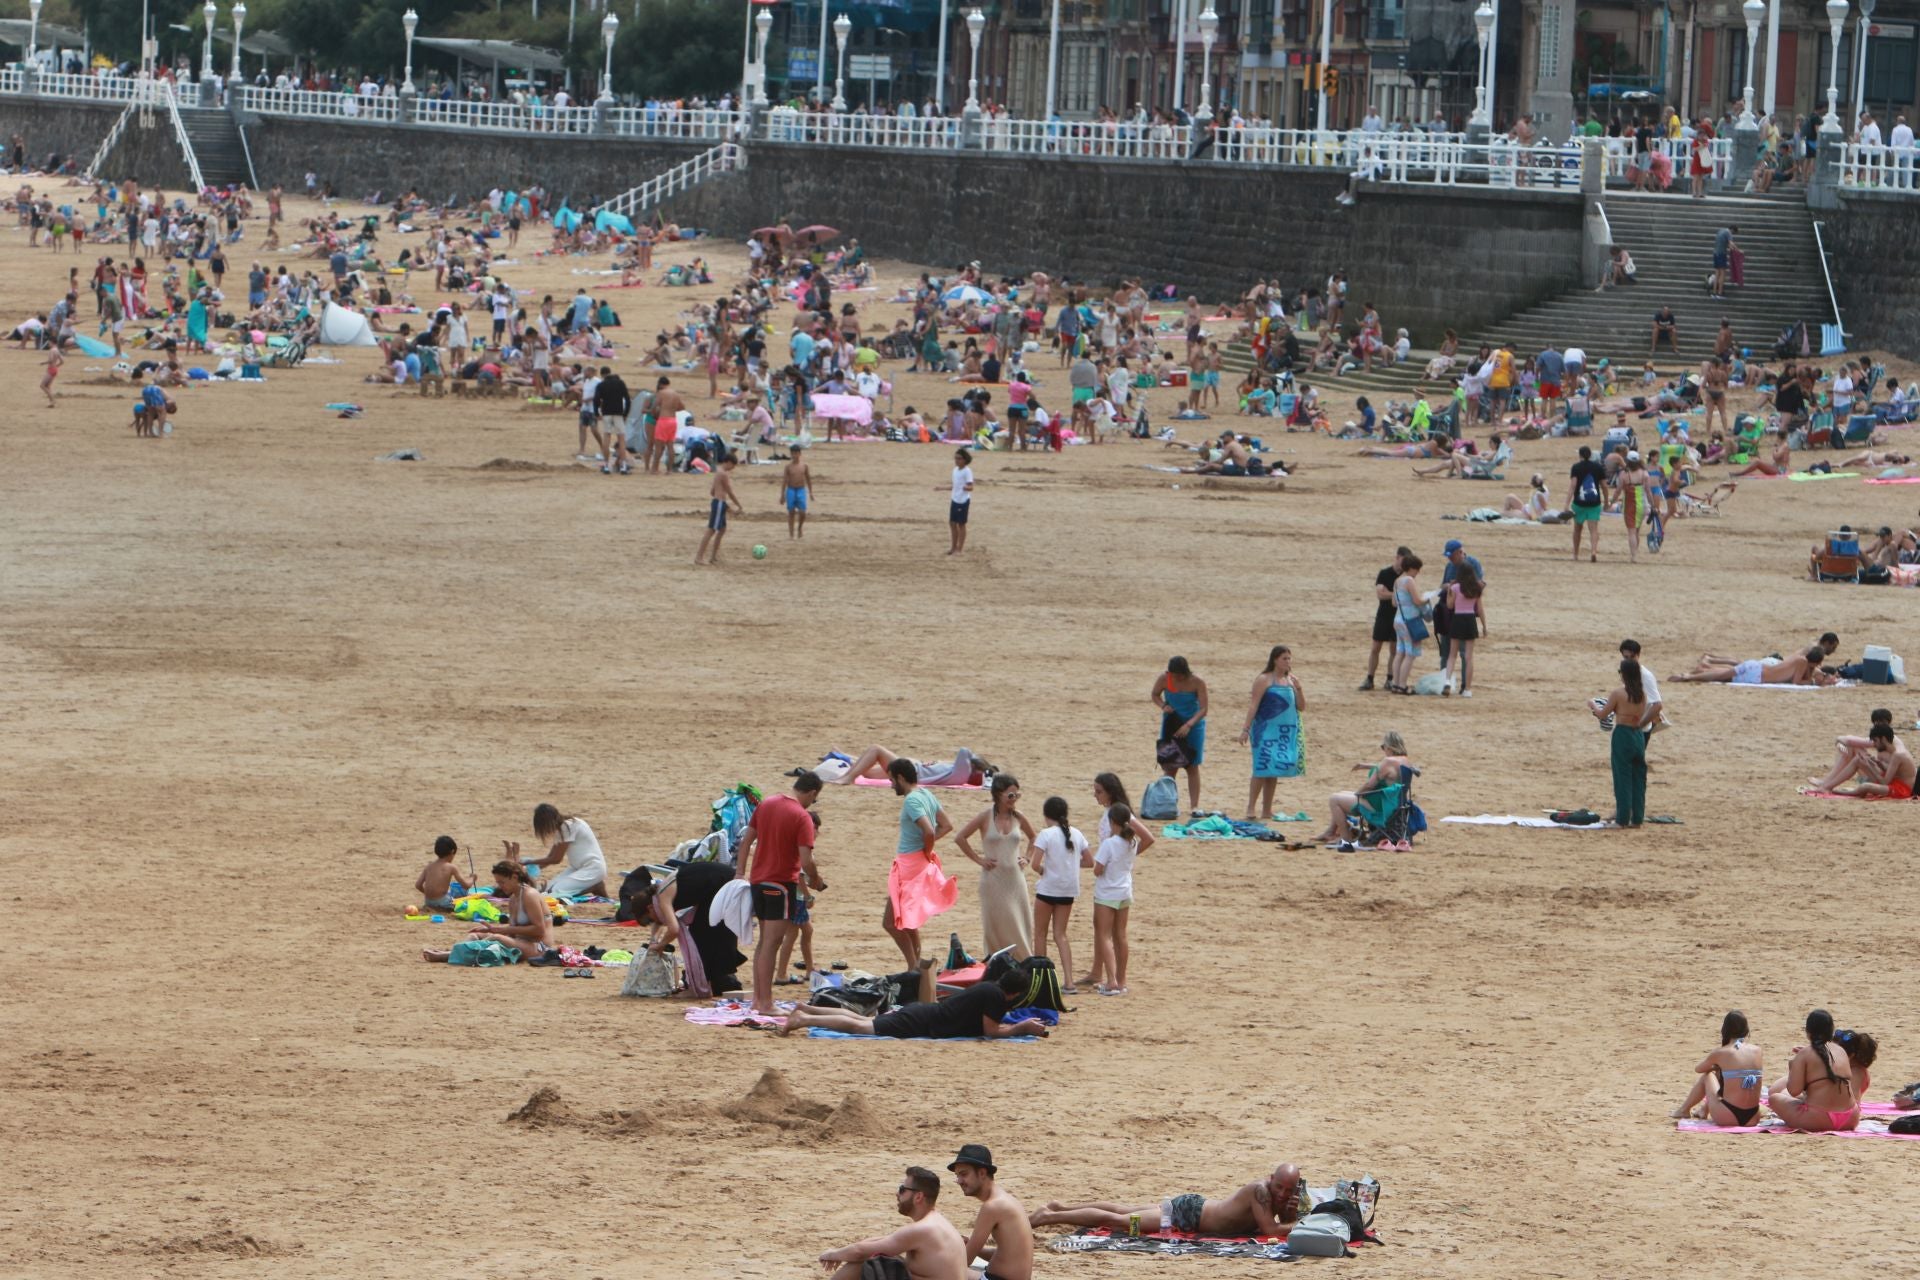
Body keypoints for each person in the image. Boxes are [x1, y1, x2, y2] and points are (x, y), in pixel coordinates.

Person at [732, 771, 825, 1015]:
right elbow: (806, 859)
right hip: (780, 884)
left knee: (764, 942)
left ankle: (758, 1000)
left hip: (758, 881)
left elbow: (746, 841)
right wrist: (815, 879)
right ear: (812, 793)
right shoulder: (801, 816)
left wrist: (740, 873)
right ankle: (765, 1003)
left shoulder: (767, 803)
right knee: (772, 944)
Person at [781, 964, 1046, 1040]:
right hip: (921, 1021)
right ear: (1016, 993)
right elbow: (991, 1031)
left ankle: (808, 1009)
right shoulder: (996, 997)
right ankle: (804, 1019)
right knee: (863, 1028)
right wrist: (1020, 1027)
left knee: (866, 1021)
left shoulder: (989, 988)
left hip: (922, 1013)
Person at [1030, 1164, 1304, 1236]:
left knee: (1121, 1209)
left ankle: (1059, 1206)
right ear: (1271, 1179)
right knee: (1117, 1219)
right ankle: (1049, 1217)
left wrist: (1290, 1215)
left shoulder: (1280, 1193)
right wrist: (1301, 1223)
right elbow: (1271, 1229)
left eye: (1288, 1190)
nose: (1282, 1194)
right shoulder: (1260, 1190)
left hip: (1193, 1208)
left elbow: (1279, 1225)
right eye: (1279, 1187)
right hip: (1188, 1215)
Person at [620, 859, 750, 994]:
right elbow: (658, 921)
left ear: (649, 907)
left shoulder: (663, 897)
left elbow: (674, 929)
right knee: (712, 932)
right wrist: (653, 940)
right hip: (721, 882)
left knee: (703, 933)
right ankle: (719, 980)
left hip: (723, 883)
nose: (653, 922)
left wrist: (661, 945)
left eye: (649, 919)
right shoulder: (659, 893)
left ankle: (719, 981)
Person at [816, 1167, 971, 1280]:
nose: (897, 1193)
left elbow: (859, 1252)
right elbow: (881, 1242)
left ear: (918, 1197)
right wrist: (843, 1252)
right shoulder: (936, 1223)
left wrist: (831, 1254)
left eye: (902, 1189)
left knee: (865, 1264)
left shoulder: (923, 1229)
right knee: (879, 1257)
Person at [953, 774, 1037, 959]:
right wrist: (979, 859)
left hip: (1015, 880)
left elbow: (1034, 838)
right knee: (996, 924)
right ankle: (998, 962)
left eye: (1017, 795)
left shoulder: (1019, 817)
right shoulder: (985, 817)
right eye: (1010, 795)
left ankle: (1024, 962)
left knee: (1019, 923)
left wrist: (1027, 858)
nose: (1014, 800)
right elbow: (960, 838)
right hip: (992, 880)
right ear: (998, 795)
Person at [885, 757, 956, 970]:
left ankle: (913, 966)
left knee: (890, 922)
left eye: (892, 780)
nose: (891, 785)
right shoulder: (927, 794)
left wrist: (926, 849)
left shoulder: (912, 800)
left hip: (910, 864)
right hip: (916, 862)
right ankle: (914, 965)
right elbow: (946, 825)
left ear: (900, 777)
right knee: (908, 921)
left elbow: (929, 830)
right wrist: (925, 848)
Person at [422, 861, 553, 963]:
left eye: (502, 882)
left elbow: (539, 930)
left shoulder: (529, 895)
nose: (500, 886)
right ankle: (454, 952)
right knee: (476, 935)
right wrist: (492, 930)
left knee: (496, 938)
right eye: (497, 883)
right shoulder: (513, 899)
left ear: (514, 877)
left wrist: (499, 931)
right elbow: (514, 931)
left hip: (539, 948)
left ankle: (447, 955)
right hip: (522, 942)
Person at [1028, 796, 1089, 993]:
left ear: (1047, 815)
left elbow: (1035, 864)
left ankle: (1042, 982)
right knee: (1061, 934)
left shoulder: (1046, 834)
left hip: (1048, 889)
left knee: (1040, 933)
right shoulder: (1077, 834)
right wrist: (1067, 866)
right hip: (1067, 890)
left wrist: (1046, 870)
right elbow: (1089, 861)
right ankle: (1069, 981)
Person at [1237, 644, 1306, 818]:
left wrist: (1299, 688)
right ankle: (1251, 808)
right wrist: (1245, 729)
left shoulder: (1291, 681)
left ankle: (1266, 810)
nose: (1287, 662)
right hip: (1265, 729)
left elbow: (1301, 707)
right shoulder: (1264, 679)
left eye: (1289, 658)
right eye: (1284, 658)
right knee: (1261, 767)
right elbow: (1253, 705)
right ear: (1275, 660)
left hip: (1284, 731)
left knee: (1274, 769)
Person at [949, 1145, 1034, 1280]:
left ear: (982, 1173)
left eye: (964, 1174)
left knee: (930, 1271)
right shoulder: (1005, 1199)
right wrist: (972, 1246)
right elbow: (1007, 1254)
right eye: (957, 1175)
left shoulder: (992, 1206)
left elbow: (964, 1261)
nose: (959, 1181)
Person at [1767, 1009, 1858, 1132]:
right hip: (1851, 1117)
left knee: (1775, 1098)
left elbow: (1793, 1091)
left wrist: (1794, 1067)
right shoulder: (1841, 1051)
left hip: (1818, 1119)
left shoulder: (1805, 1054)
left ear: (1808, 1032)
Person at [1313, 732, 1412, 842]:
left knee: (1334, 799)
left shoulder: (1388, 761)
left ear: (1389, 747)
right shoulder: (1405, 761)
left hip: (1381, 808)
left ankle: (1346, 838)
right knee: (1343, 793)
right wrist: (1366, 766)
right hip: (1396, 805)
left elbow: (1369, 786)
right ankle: (1330, 832)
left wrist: (1358, 794)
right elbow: (1390, 770)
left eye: (1383, 747)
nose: (1383, 750)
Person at [1671, 1010, 1766, 1125]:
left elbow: (1699, 1069)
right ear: (1746, 1030)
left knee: (1708, 1076)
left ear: (1725, 1030)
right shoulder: (1757, 1051)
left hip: (1728, 1116)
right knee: (1730, 1077)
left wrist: (1716, 1067)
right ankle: (1703, 1110)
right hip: (1753, 1118)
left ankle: (1684, 1110)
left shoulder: (1721, 1052)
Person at [1590, 657, 1653, 827]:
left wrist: (1592, 705)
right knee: (1638, 777)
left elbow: (1603, 715)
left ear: (1624, 674)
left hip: (1623, 734)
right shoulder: (1643, 694)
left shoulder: (1618, 693)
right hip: (1638, 734)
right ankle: (1637, 818)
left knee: (1622, 776)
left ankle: (1622, 819)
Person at [1088, 804, 1137, 995]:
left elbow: (1097, 869)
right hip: (1124, 891)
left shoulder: (1109, 844)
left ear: (1112, 822)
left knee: (1104, 935)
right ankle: (1122, 980)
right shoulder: (1132, 842)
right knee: (1121, 936)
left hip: (1107, 893)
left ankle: (1111, 980)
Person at [510, 803, 609, 897]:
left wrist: (529, 862)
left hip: (592, 868)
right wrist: (526, 871)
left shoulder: (568, 826)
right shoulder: (561, 829)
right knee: (546, 890)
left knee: (554, 893)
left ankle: (594, 886)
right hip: (578, 868)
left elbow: (556, 859)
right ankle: (595, 887)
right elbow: (550, 858)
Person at [1150, 656, 1209, 813]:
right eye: (1173, 675)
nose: (1176, 678)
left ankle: (1194, 806)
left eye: (1179, 675)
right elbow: (1155, 694)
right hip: (1172, 724)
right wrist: (1163, 705)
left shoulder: (1197, 682)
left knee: (1192, 766)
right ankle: (1167, 803)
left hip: (1193, 726)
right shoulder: (1165, 679)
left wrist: (1189, 725)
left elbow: (1203, 709)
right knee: (1170, 765)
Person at [1361, 547, 1412, 691]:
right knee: (1375, 647)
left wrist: (1390, 594)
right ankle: (1370, 678)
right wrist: (1397, 595)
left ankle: (1389, 678)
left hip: (1398, 616)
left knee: (1394, 649)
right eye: (1403, 560)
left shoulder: (1405, 576)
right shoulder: (1384, 573)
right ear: (1397, 557)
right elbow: (1380, 594)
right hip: (1384, 615)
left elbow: (1384, 593)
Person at [821, 746, 991, 788]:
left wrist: (978, 762)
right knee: (869, 772)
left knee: (876, 749)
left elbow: (964, 751)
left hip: (911, 770)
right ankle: (841, 755)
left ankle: (848, 777)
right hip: (912, 767)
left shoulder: (961, 775)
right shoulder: (958, 773)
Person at [1823, 724, 1916, 798]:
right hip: (1893, 782)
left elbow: (1885, 782)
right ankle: (1827, 787)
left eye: (1875, 741)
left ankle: (1841, 792)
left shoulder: (1898, 754)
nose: (1874, 745)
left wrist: (1870, 767)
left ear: (1883, 739)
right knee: (1859, 760)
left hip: (1902, 790)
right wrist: (1876, 764)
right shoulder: (1891, 751)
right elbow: (1893, 773)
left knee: (1865, 786)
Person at [1670, 648, 1837, 686]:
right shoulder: (1802, 663)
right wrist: (1814, 683)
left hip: (1756, 667)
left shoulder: (1800, 659)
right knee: (1721, 677)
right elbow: (1796, 682)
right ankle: (1687, 677)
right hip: (1757, 676)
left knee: (1723, 674)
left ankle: (1701, 670)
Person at [695, 452, 742, 566]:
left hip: (719, 502)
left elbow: (712, 491)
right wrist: (738, 505)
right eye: (733, 465)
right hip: (719, 503)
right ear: (729, 462)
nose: (732, 468)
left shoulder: (718, 472)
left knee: (722, 529)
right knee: (711, 530)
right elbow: (729, 492)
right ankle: (699, 557)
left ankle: (713, 556)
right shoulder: (723, 474)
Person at [1387, 554, 1425, 694]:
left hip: (1398, 619)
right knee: (1410, 654)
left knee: (1400, 652)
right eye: (1417, 569)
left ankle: (1396, 684)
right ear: (1411, 568)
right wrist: (1427, 599)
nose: (1418, 573)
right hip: (1409, 620)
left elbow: (1393, 603)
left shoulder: (1397, 581)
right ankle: (1402, 685)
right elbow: (1417, 601)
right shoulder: (1409, 580)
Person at [1569, 445, 1607, 561]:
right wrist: (1606, 500)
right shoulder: (1598, 467)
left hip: (1579, 503)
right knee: (1594, 529)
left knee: (1577, 529)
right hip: (1594, 502)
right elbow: (1604, 486)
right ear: (1590, 455)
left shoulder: (1575, 467)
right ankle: (1593, 551)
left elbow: (1573, 486)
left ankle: (1575, 554)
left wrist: (1566, 503)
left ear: (1579, 455)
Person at [1616, 450, 1651, 563]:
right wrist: (1653, 506)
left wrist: (1611, 502)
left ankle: (1634, 555)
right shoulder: (1644, 473)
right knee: (1636, 531)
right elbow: (1648, 492)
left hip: (1629, 504)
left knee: (1631, 532)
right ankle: (1635, 552)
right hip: (1642, 504)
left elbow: (1618, 490)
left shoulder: (1624, 474)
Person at [415, 835, 466, 910]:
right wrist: (473, 878)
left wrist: (428, 894)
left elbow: (418, 885)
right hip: (443, 903)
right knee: (464, 904)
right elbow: (466, 885)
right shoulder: (451, 867)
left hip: (428, 902)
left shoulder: (429, 866)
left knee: (448, 895)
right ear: (452, 851)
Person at [782, 441, 812, 540]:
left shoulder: (804, 466)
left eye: (796, 453)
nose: (794, 455)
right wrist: (782, 495)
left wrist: (811, 492)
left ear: (800, 454)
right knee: (791, 512)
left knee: (802, 512)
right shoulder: (788, 467)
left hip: (801, 489)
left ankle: (799, 528)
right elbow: (785, 480)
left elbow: (808, 479)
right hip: (791, 490)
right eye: (793, 453)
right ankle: (791, 533)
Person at [948, 447, 974, 555]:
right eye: (955, 458)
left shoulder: (967, 471)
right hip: (954, 499)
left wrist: (965, 488)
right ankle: (953, 547)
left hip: (962, 501)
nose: (956, 460)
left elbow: (971, 487)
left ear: (964, 460)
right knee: (952, 523)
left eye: (959, 458)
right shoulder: (955, 470)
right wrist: (941, 488)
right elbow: (954, 486)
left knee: (961, 524)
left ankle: (959, 548)